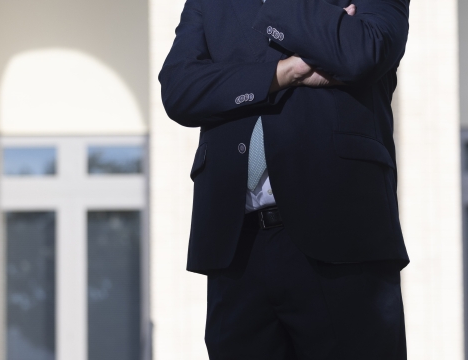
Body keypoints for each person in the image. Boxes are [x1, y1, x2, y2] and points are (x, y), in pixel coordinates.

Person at [159, 0, 410, 358]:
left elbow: (363, 51)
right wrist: (283, 72)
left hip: (342, 235)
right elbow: (179, 87)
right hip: (237, 246)